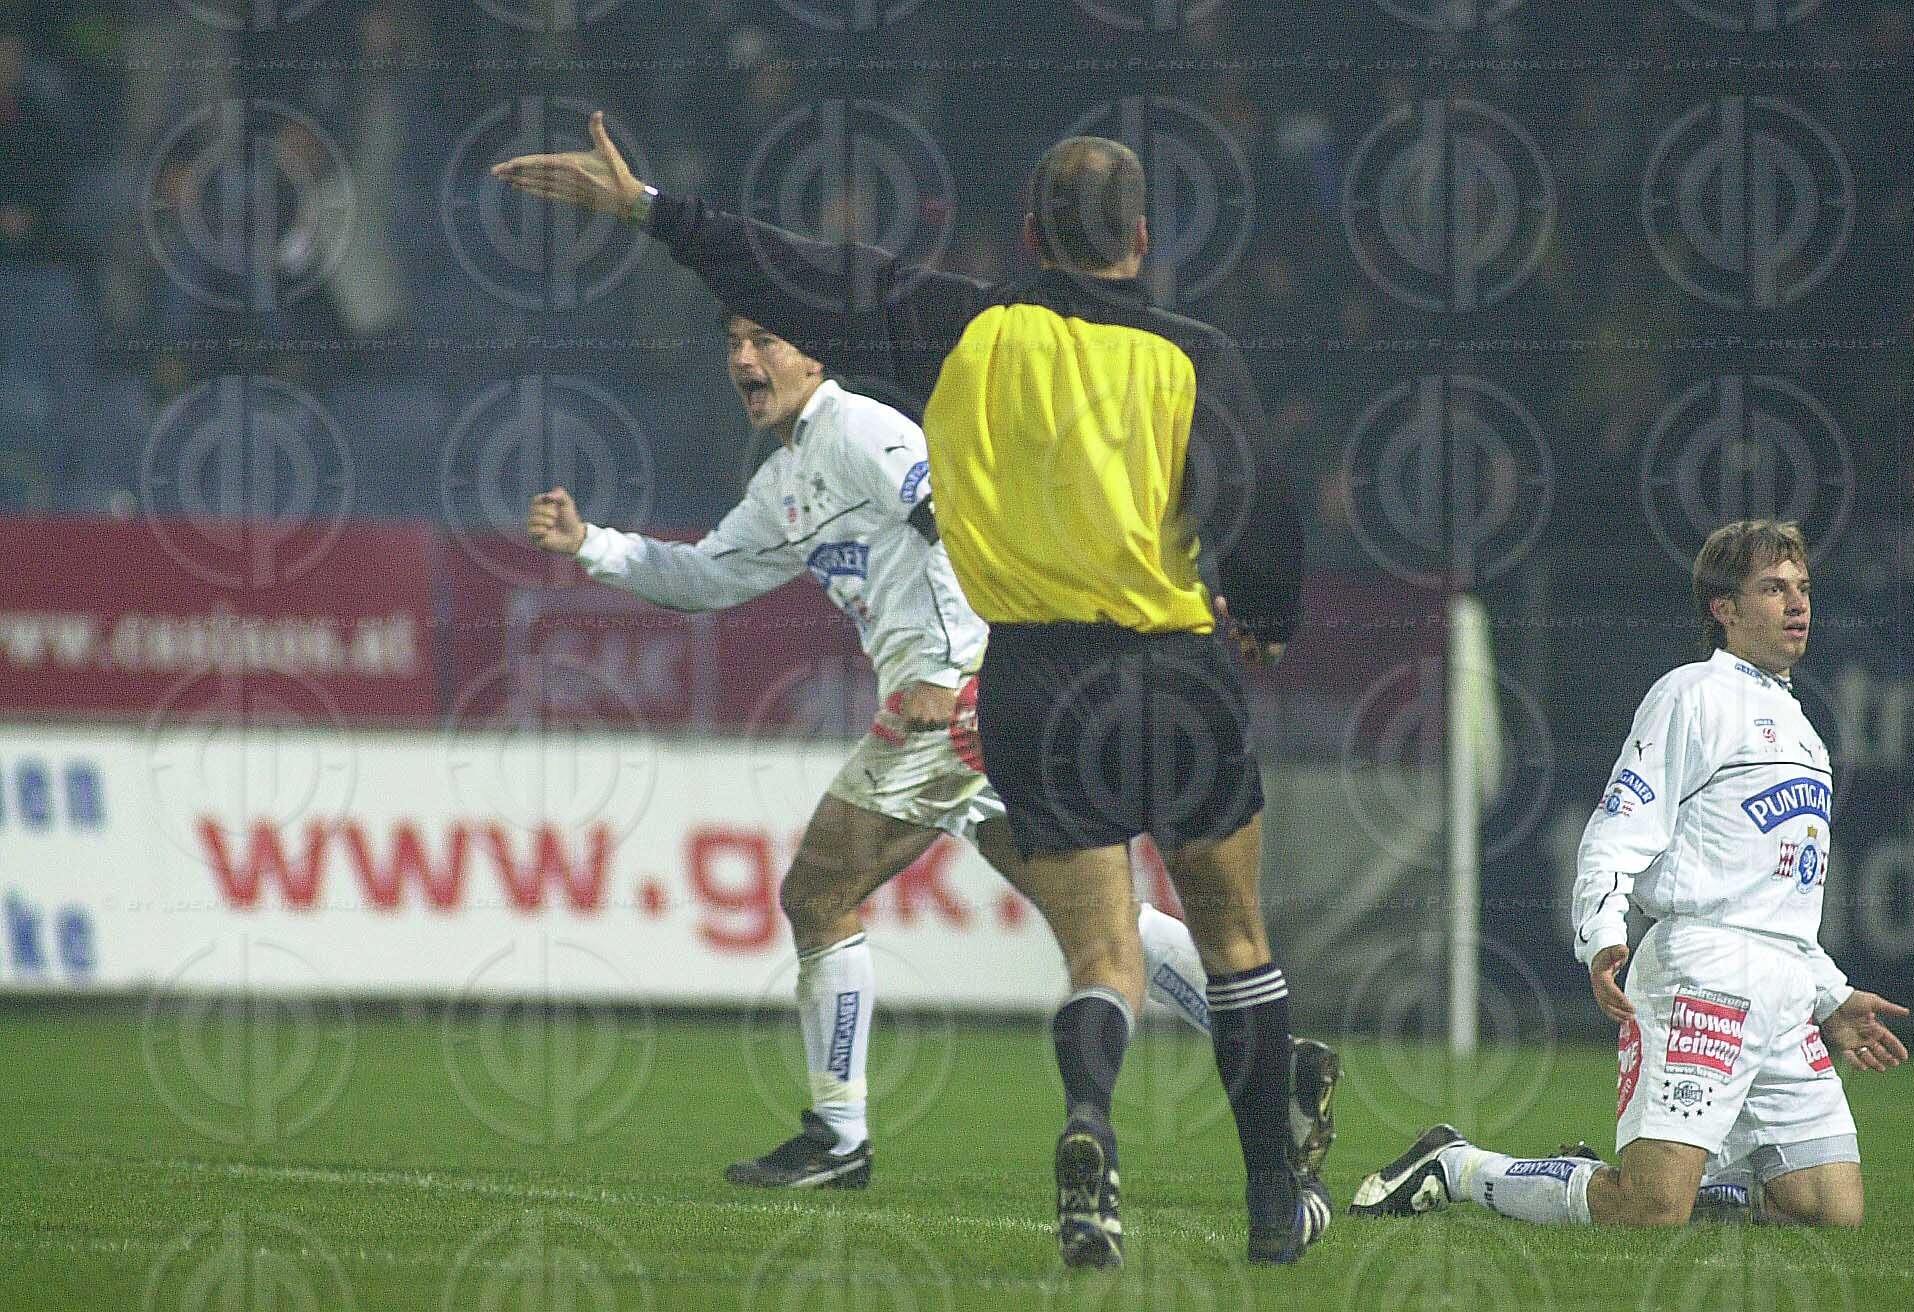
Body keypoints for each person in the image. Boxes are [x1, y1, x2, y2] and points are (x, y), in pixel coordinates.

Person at [495, 119, 1332, 1265]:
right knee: (1203, 934)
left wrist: (653, 211)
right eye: (738, 344)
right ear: (1141, 239)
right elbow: (1260, 498)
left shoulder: (943, 350)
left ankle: (1001, 1124)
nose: (749, 358)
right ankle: (1274, 1170)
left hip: (1017, 685)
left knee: (1060, 942)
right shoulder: (1191, 356)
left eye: (763, 341)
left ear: (1028, 234)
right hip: (1165, 675)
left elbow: (814, 286)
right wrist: (1267, 615)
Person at [1351, 520, 1909, 1228]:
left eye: (1802, 587)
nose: (1797, 603)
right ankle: (1458, 1167)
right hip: (1703, 974)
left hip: (1786, 990)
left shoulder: (1804, 731)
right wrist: (1602, 932)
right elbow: (1619, 825)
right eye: (1773, 588)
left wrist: (1831, 996)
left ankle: (1692, 1180)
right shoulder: (1691, 695)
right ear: (1723, 608)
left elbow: (1782, 901)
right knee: (1650, 1211)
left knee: (1832, 1212)